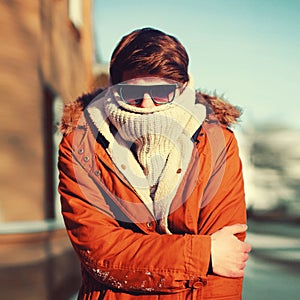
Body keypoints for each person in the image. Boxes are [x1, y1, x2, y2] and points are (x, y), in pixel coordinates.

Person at [58, 27, 251, 300]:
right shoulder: (81, 144)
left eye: (161, 92)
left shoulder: (218, 143)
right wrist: (203, 253)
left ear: (184, 88)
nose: (147, 105)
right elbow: (100, 251)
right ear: (114, 90)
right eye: (132, 93)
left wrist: (139, 252)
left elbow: (227, 264)